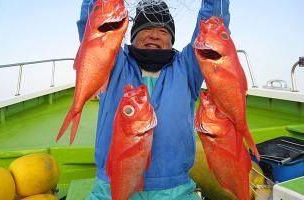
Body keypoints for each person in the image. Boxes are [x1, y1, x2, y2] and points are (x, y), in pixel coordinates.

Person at [77, 0, 230, 199]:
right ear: (131, 35)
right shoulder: (112, 64)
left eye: (164, 31)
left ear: (172, 39)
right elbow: (93, 25)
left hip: (175, 191)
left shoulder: (187, 67)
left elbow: (213, 26)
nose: (155, 35)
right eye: (146, 29)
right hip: (111, 188)